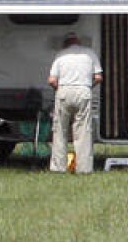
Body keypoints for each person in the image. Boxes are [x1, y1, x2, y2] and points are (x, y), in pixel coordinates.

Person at [48, 32, 102, 174]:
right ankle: (84, 168)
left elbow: (52, 80)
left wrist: (58, 89)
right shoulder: (90, 54)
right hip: (84, 91)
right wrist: (88, 86)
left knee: (60, 130)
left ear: (66, 43)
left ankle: (58, 167)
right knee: (83, 131)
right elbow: (98, 77)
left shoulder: (61, 55)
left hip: (64, 91)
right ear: (78, 42)